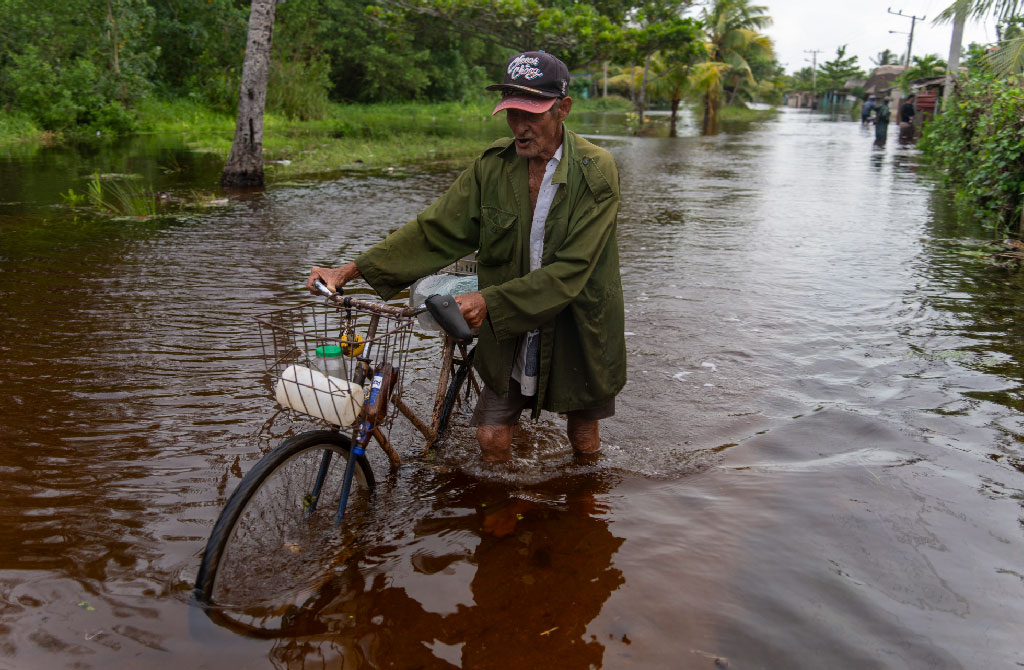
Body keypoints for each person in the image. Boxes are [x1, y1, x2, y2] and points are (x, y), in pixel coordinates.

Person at [306, 51, 626, 463]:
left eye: (533, 115)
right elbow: (435, 229)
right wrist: (351, 269)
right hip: (508, 322)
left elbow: (571, 270)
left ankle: (581, 515)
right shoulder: (493, 166)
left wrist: (488, 300)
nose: (520, 127)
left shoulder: (596, 171)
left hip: (577, 320)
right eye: (512, 113)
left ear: (563, 108)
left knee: (583, 433)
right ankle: (500, 516)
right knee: (491, 437)